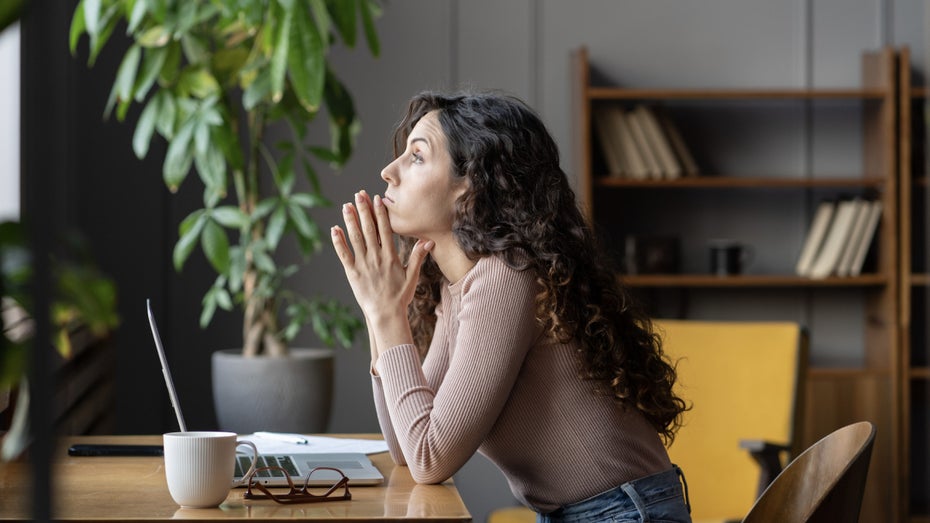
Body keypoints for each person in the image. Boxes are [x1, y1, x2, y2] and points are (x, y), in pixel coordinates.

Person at [330, 90, 692, 523]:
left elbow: (430, 457)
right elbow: (406, 449)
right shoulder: (462, 287)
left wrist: (389, 316)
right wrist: (378, 312)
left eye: (418, 157)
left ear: (471, 185)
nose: (389, 172)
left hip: (626, 514)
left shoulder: (507, 276)